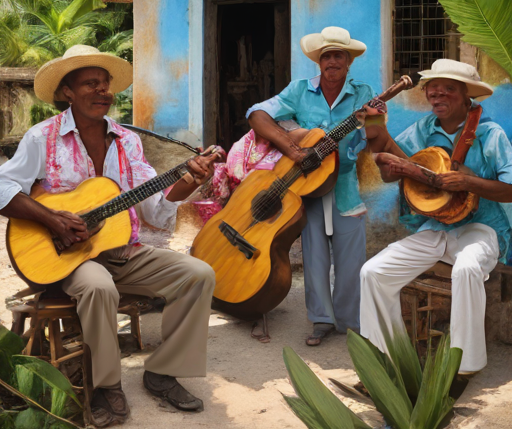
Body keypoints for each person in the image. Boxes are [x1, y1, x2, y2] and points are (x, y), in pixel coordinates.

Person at [0, 45, 217, 426]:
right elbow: (2, 187)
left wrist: (186, 183)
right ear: (67, 91)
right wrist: (52, 219)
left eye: (106, 84)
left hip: (122, 251)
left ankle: (163, 372)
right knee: (99, 286)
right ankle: (106, 385)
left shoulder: (128, 141)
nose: (102, 91)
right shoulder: (42, 138)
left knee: (198, 274)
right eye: (90, 83)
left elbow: (153, 209)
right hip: (68, 258)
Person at [361, 58, 512, 373]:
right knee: (373, 272)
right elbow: (393, 176)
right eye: (433, 89)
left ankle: (463, 367)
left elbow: (510, 189)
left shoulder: (490, 134)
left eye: (448, 89)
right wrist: (379, 137)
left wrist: (469, 182)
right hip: (434, 228)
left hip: (482, 228)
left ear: (466, 95)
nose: (437, 95)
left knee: (467, 268)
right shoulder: (423, 129)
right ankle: (385, 362)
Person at [247, 26, 383, 345]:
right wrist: (292, 144)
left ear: (348, 62)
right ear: (318, 62)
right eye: (326, 56)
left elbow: (376, 135)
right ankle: (321, 319)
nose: (332, 61)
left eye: (338, 55)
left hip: (346, 185)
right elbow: (257, 114)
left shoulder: (365, 93)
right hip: (306, 186)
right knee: (314, 255)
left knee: (351, 259)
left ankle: (350, 322)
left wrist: (376, 122)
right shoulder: (299, 90)